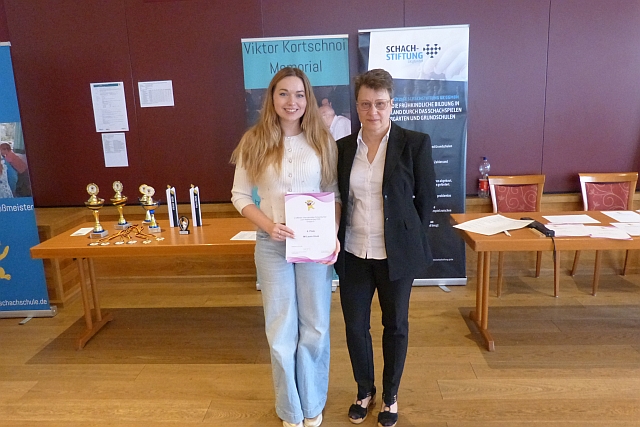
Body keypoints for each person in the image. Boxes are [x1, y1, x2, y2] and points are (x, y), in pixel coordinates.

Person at [230, 67, 340, 427]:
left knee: (315, 326)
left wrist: (331, 233)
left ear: (308, 99)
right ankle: (291, 409)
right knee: (280, 329)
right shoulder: (254, 141)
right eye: (283, 93)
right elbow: (239, 196)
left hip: (313, 246)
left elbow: (334, 194)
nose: (291, 101)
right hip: (271, 245)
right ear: (272, 98)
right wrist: (268, 225)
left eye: (299, 94)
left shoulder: (322, 141)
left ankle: (312, 402)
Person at [335, 69, 436, 427]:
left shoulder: (414, 143)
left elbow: (426, 199)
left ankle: (390, 395)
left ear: (392, 104)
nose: (373, 111)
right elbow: (339, 198)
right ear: (357, 106)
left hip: (396, 255)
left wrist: (405, 236)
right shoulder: (343, 148)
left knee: (395, 325)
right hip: (354, 252)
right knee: (355, 327)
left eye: (380, 103)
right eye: (365, 104)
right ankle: (365, 390)